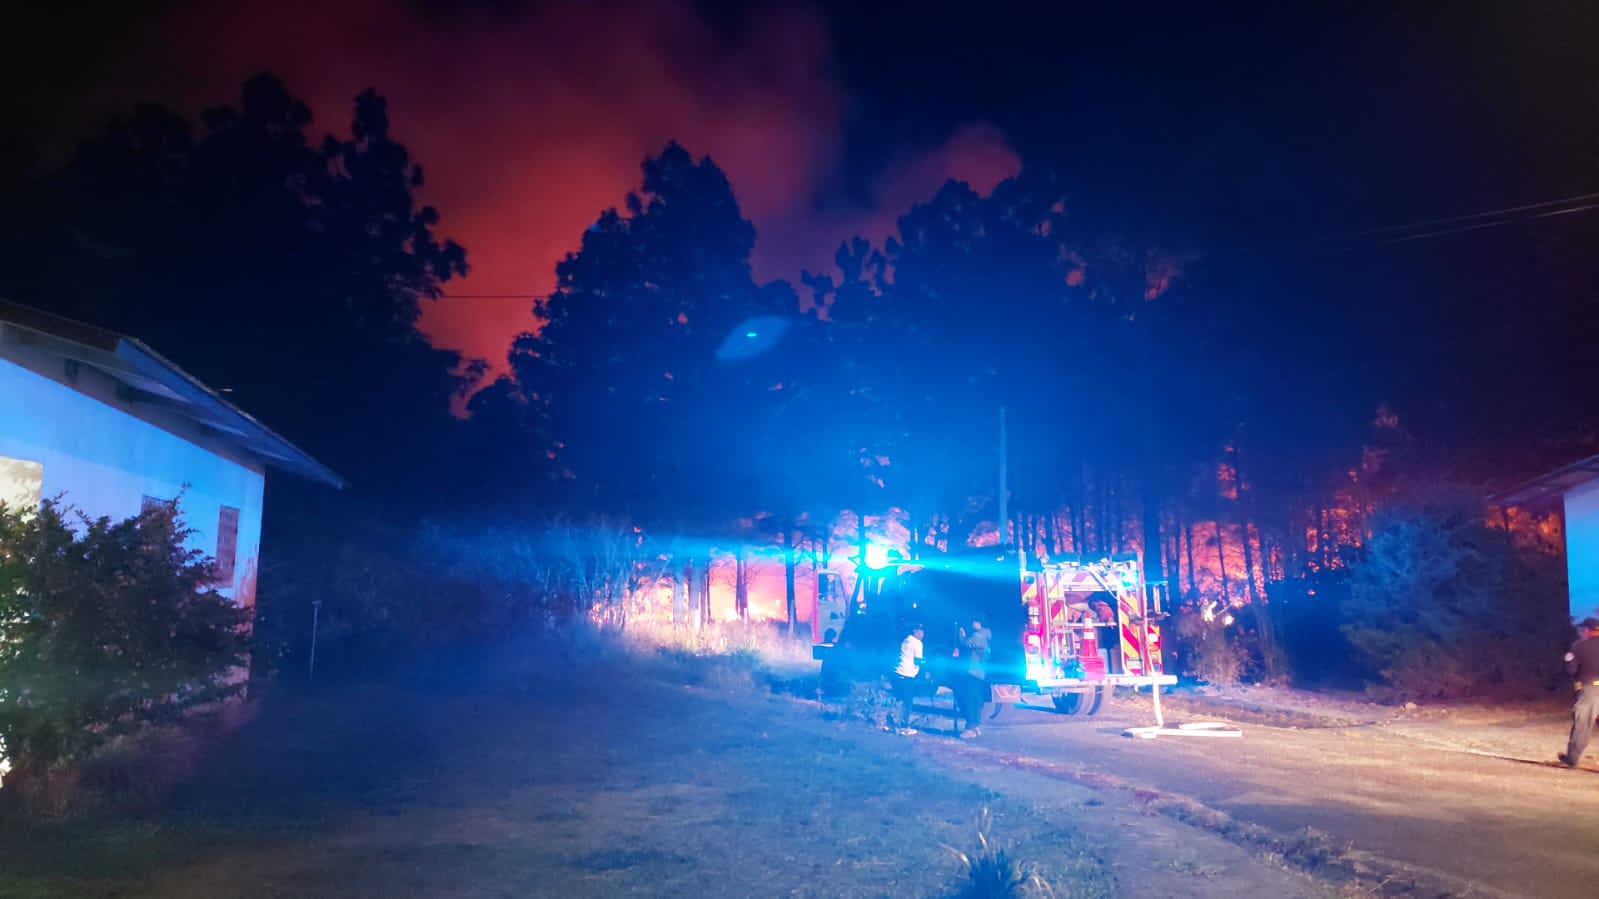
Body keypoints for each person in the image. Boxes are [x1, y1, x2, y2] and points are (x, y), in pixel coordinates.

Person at [1559, 617, 1599, 767]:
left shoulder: (1579, 646)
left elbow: (1571, 670)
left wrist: (1568, 660)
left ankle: (1572, 758)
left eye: (1582, 629)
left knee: (1583, 724)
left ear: (1587, 630)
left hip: (1590, 690)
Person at [954, 617, 993, 738]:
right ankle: (975, 726)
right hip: (980, 673)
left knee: (970, 699)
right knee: (977, 699)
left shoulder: (978, 636)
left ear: (978, 623)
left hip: (973, 672)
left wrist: (961, 635)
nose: (972, 624)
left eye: (974, 622)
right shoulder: (986, 635)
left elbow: (967, 643)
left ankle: (970, 727)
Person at [891, 624, 925, 735]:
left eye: (923, 632)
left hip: (897, 673)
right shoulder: (917, 643)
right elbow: (918, 661)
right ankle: (904, 726)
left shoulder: (906, 640)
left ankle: (893, 724)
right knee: (907, 702)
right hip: (907, 675)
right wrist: (927, 664)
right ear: (915, 631)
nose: (922, 634)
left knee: (899, 700)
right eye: (920, 632)